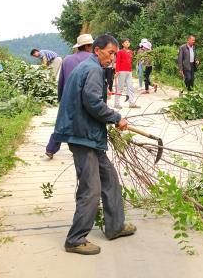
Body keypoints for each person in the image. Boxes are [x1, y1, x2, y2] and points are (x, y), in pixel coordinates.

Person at [52, 34, 136, 255]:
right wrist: (116, 117)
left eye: (115, 54)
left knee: (110, 179)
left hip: (87, 135)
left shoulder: (88, 66)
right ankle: (75, 239)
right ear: (97, 50)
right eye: (110, 53)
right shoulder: (93, 69)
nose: (112, 58)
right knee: (91, 189)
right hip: (82, 136)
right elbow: (92, 102)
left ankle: (115, 226)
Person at [45, 34, 94, 159]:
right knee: (86, 124)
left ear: (79, 46)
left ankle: (51, 149)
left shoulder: (67, 59)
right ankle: (82, 149)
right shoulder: (93, 59)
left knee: (62, 124)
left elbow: (61, 81)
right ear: (88, 46)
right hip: (87, 98)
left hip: (69, 98)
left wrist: (61, 98)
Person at [114, 38, 139, 109]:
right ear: (122, 44)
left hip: (129, 71)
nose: (127, 43)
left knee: (130, 87)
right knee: (120, 87)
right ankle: (116, 103)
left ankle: (131, 103)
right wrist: (117, 71)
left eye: (128, 42)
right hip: (122, 71)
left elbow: (130, 61)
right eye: (125, 42)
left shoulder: (131, 52)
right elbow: (118, 62)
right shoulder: (120, 52)